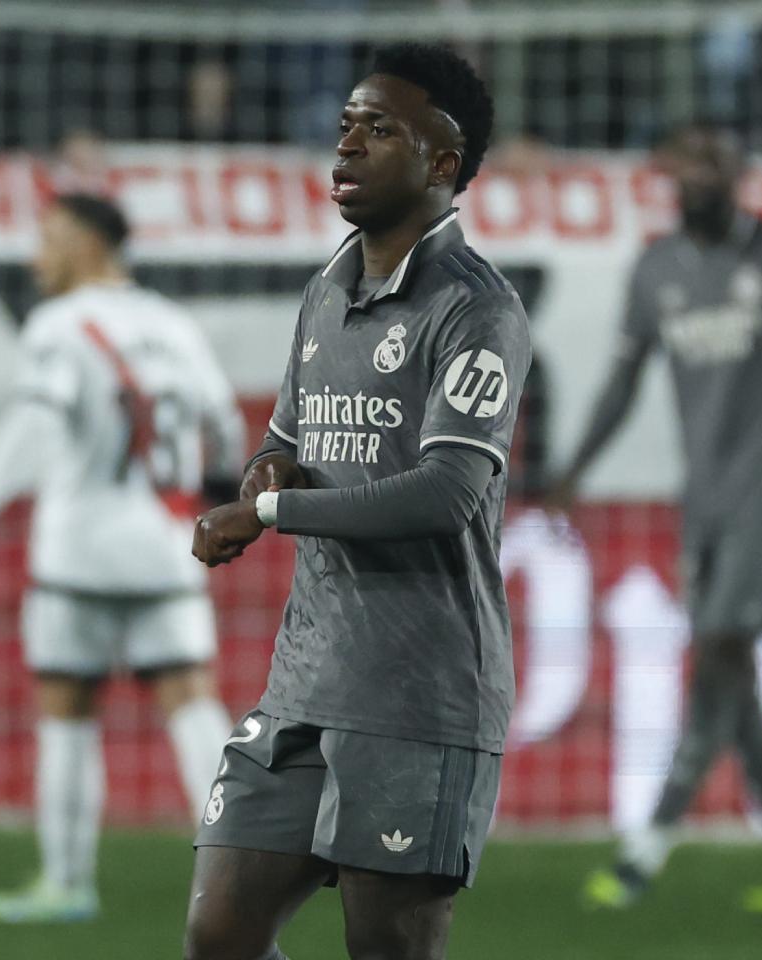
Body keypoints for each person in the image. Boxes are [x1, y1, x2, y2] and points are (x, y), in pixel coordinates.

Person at [184, 42, 527, 960]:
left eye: (380, 130)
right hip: (303, 684)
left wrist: (266, 516)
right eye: (344, 127)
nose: (347, 147)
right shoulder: (326, 292)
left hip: (421, 696)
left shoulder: (476, 309)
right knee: (219, 935)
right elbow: (287, 442)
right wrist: (267, 473)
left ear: (443, 163)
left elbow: (449, 492)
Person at [547, 124, 762, 913]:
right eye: (686, 171)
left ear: (738, 178)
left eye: (712, 169)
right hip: (708, 501)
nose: (697, 183)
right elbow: (623, 379)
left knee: (719, 656)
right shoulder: (655, 269)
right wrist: (577, 465)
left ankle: (644, 853)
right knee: (732, 678)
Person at [0, 193, 243, 924]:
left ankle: (67, 884)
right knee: (192, 700)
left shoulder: (60, 325)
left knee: (67, 707)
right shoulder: (174, 325)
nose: (34, 257)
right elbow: (225, 425)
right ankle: (247, 877)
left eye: (47, 240)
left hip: (78, 551)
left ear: (85, 245)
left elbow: (36, 420)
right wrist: (223, 490)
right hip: (170, 548)